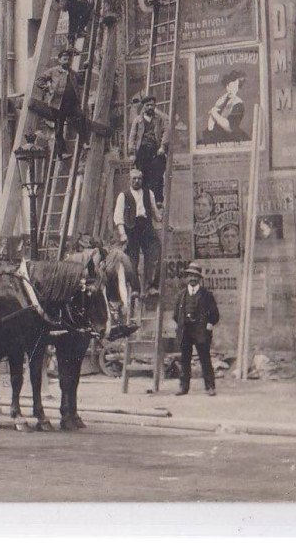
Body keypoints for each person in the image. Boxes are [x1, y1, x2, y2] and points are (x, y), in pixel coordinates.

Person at [113, 169, 162, 297]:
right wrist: (122, 233)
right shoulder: (123, 195)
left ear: (142, 179)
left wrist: (165, 222)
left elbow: (156, 214)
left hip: (146, 226)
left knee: (155, 253)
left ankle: (151, 287)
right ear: (129, 180)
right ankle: (135, 288)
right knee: (131, 260)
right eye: (134, 178)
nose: (136, 181)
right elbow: (118, 217)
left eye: (139, 178)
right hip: (131, 229)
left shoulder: (148, 193)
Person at [173, 263, 220, 396]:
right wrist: (182, 324)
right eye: (190, 276)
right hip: (186, 331)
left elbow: (215, 314)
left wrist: (209, 324)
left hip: (201, 331)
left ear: (199, 278)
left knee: (205, 359)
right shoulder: (181, 295)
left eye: (195, 276)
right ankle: (183, 387)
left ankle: (210, 387)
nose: (192, 278)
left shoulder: (207, 295)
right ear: (187, 277)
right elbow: (176, 315)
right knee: (185, 360)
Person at [35, 48, 87, 160]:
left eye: (68, 59)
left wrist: (85, 68)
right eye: (64, 59)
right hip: (58, 105)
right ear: (59, 60)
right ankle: (61, 153)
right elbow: (39, 80)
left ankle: (83, 142)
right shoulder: (53, 71)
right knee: (59, 129)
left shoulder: (72, 73)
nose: (66, 61)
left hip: (72, 104)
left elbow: (81, 80)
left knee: (81, 117)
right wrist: (48, 89)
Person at [127, 94, 170, 206]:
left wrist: (162, 146)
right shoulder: (138, 120)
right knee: (143, 175)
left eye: (152, 105)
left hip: (155, 150)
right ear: (144, 107)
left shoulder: (160, 119)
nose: (150, 107)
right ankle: (145, 200)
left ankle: (158, 200)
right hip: (142, 151)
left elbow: (166, 132)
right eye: (148, 105)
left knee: (158, 173)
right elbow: (132, 136)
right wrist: (132, 153)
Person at [205, 70, 250, 144]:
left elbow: (229, 128)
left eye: (236, 86)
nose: (234, 89)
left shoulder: (238, 104)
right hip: (217, 136)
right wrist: (210, 130)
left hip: (230, 138)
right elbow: (211, 123)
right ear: (227, 86)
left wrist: (214, 112)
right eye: (231, 86)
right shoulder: (222, 100)